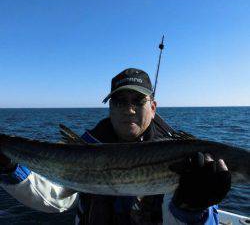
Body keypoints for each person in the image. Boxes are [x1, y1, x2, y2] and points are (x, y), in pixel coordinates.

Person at [0, 68, 231, 225]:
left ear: (153, 107)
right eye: (120, 102)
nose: (128, 109)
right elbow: (57, 198)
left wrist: (191, 208)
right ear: (110, 108)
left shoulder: (190, 160)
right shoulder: (86, 147)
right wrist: (10, 168)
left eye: (137, 101)